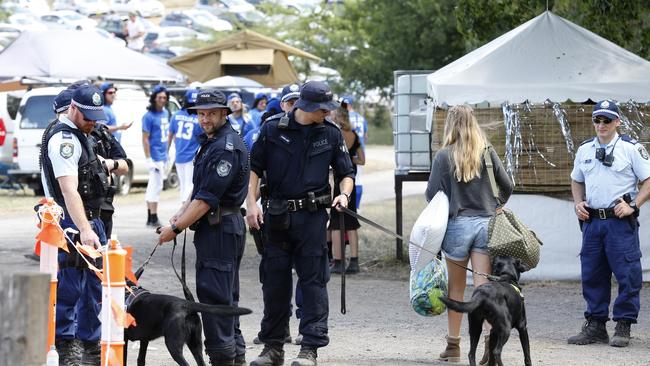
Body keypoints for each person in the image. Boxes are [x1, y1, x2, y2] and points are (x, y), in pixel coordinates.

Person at [246, 80, 354, 366]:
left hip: (313, 219)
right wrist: (250, 205)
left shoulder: (331, 134)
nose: (328, 114)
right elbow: (254, 169)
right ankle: (273, 347)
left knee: (313, 283)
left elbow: (347, 172)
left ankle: (310, 349)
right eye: (323, 109)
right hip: (277, 218)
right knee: (274, 284)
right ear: (307, 107)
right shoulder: (271, 129)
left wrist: (343, 194)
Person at [157, 89, 250, 366]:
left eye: (210, 113)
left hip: (220, 227)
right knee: (225, 296)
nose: (204, 118)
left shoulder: (224, 147)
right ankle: (236, 356)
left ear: (224, 113)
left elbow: (206, 200)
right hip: (219, 226)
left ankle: (223, 358)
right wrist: (180, 214)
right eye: (201, 113)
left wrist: (174, 230)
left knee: (214, 298)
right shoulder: (213, 142)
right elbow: (199, 191)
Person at [425, 105, 513, 363]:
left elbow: (432, 195)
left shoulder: (443, 156)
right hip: (486, 224)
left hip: (457, 225)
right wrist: (497, 205)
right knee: (484, 288)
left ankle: (453, 347)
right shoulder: (486, 152)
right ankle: (489, 341)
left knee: (456, 289)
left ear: (450, 125)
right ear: (473, 123)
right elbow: (507, 185)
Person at [568, 100, 650, 348]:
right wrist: (578, 202)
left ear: (617, 122)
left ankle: (623, 324)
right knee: (593, 274)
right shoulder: (585, 149)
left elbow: (648, 180)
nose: (601, 125)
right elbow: (576, 180)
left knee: (627, 274)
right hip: (592, 221)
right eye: (597, 120)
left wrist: (634, 205)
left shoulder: (630, 148)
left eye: (606, 120)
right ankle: (595, 325)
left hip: (619, 222)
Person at [40, 84, 111, 366]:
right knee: (70, 288)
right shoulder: (64, 140)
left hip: (92, 219)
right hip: (74, 223)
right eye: (87, 116)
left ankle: (91, 344)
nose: (93, 121)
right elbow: (69, 190)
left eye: (96, 116)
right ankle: (67, 345)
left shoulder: (82, 134)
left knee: (95, 287)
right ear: (72, 109)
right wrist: (84, 229)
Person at [329, 101, 365, 275]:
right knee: (351, 222)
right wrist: (350, 160)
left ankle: (338, 261)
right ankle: (355, 261)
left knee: (336, 223)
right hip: (352, 180)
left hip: (339, 182)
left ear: (337, 117)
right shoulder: (354, 135)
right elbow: (362, 160)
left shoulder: (335, 134)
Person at [142, 84, 170, 227]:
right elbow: (145, 138)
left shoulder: (165, 113)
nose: (162, 100)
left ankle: (150, 217)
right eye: (159, 97)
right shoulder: (148, 116)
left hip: (163, 155)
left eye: (164, 97)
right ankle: (153, 217)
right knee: (155, 187)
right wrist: (148, 158)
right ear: (154, 98)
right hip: (155, 156)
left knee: (153, 186)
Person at [168, 88, 201, 203]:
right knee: (189, 186)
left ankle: (184, 210)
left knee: (184, 185)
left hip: (180, 155)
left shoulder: (176, 115)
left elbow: (170, 136)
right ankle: (186, 211)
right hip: (192, 156)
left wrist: (167, 152)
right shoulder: (198, 118)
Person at [343, 95, 368, 210]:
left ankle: (349, 205)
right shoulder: (361, 118)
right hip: (360, 150)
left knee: (346, 178)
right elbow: (366, 136)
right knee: (358, 179)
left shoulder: (343, 118)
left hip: (347, 151)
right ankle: (356, 207)